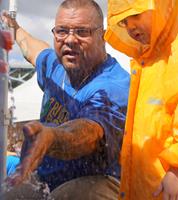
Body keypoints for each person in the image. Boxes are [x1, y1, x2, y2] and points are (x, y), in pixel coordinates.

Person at [1, 0, 130, 199]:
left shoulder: (113, 86)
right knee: (10, 194)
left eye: (82, 31)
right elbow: (33, 50)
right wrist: (14, 28)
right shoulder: (57, 66)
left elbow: (90, 132)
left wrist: (52, 136)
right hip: (47, 179)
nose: (70, 40)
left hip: (101, 181)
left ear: (102, 36)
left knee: (69, 196)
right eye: (62, 31)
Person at [105, 0, 178, 200]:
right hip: (147, 189)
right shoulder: (146, 63)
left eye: (136, 15)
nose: (130, 26)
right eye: (124, 21)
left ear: (162, 6)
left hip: (174, 188)